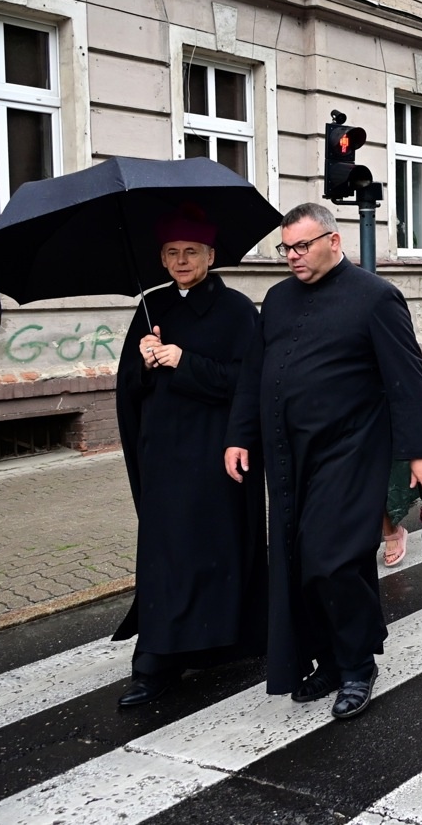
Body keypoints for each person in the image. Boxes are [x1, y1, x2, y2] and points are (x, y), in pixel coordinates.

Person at [224, 202, 422, 719]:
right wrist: (239, 436)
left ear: (333, 241)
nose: (293, 256)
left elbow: (407, 379)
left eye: (302, 246)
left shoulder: (376, 296)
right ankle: (329, 658)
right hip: (290, 456)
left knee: (330, 559)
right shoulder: (277, 299)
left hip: (352, 451)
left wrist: (420, 452)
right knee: (300, 562)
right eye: (286, 248)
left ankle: (358, 664)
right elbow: (255, 373)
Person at [112, 205, 268, 707]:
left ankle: (225, 643)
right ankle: (155, 661)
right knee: (165, 557)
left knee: (217, 550)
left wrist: (184, 361)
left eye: (192, 252)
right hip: (163, 457)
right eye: (173, 253)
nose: (182, 261)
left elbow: (250, 383)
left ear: (210, 256)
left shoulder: (238, 311)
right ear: (161, 259)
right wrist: (143, 362)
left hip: (216, 456)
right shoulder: (151, 308)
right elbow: (127, 387)